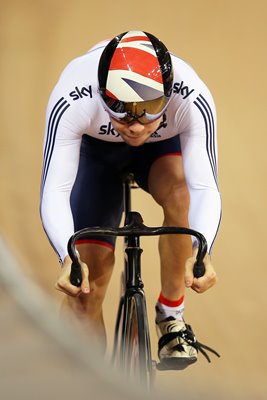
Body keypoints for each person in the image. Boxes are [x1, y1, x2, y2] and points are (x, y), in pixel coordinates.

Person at [40, 30, 221, 369]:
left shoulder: (192, 95)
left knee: (180, 193)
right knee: (85, 290)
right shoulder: (73, 93)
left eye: (150, 108)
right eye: (119, 108)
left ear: (168, 95)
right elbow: (55, 190)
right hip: (97, 156)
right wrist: (68, 256)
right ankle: (88, 382)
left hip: (159, 153)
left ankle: (171, 317)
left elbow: (204, 188)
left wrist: (203, 250)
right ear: (100, 93)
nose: (135, 125)